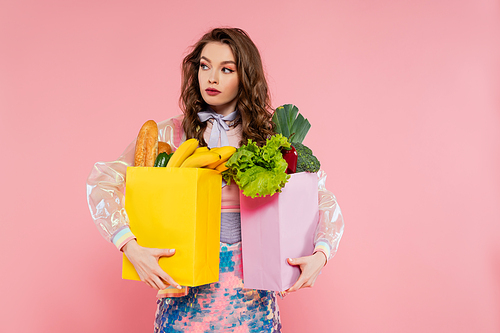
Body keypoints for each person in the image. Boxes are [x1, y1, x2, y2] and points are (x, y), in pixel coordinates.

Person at [86, 27, 344, 332]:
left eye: (226, 69)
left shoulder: (271, 139)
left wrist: (322, 254)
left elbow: (320, 197)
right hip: (184, 292)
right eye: (205, 66)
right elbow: (103, 183)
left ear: (245, 76)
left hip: (254, 292)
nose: (212, 78)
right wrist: (129, 246)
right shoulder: (171, 133)